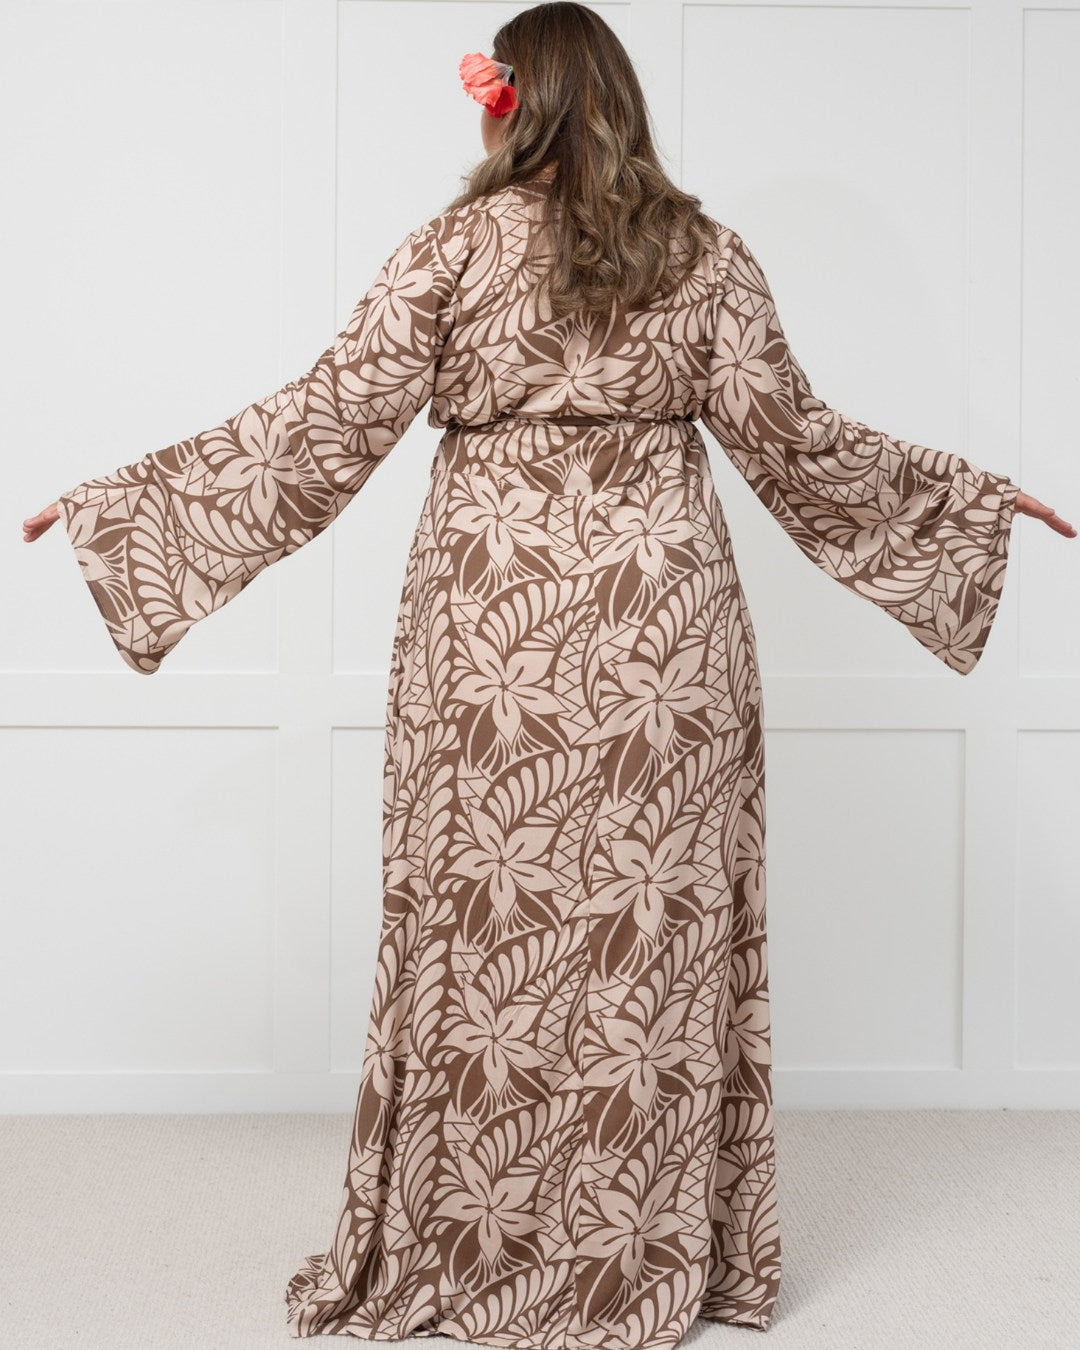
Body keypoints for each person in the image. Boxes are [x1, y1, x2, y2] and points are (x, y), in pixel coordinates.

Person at [22, 2, 1075, 1344]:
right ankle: (642, 1255)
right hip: (664, 646)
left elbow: (317, 428)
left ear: (506, 105)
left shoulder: (453, 251)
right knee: (648, 948)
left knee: (485, 937)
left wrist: (119, 507)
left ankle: (476, 1253)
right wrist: (974, 503)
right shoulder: (709, 259)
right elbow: (801, 448)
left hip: (487, 646)